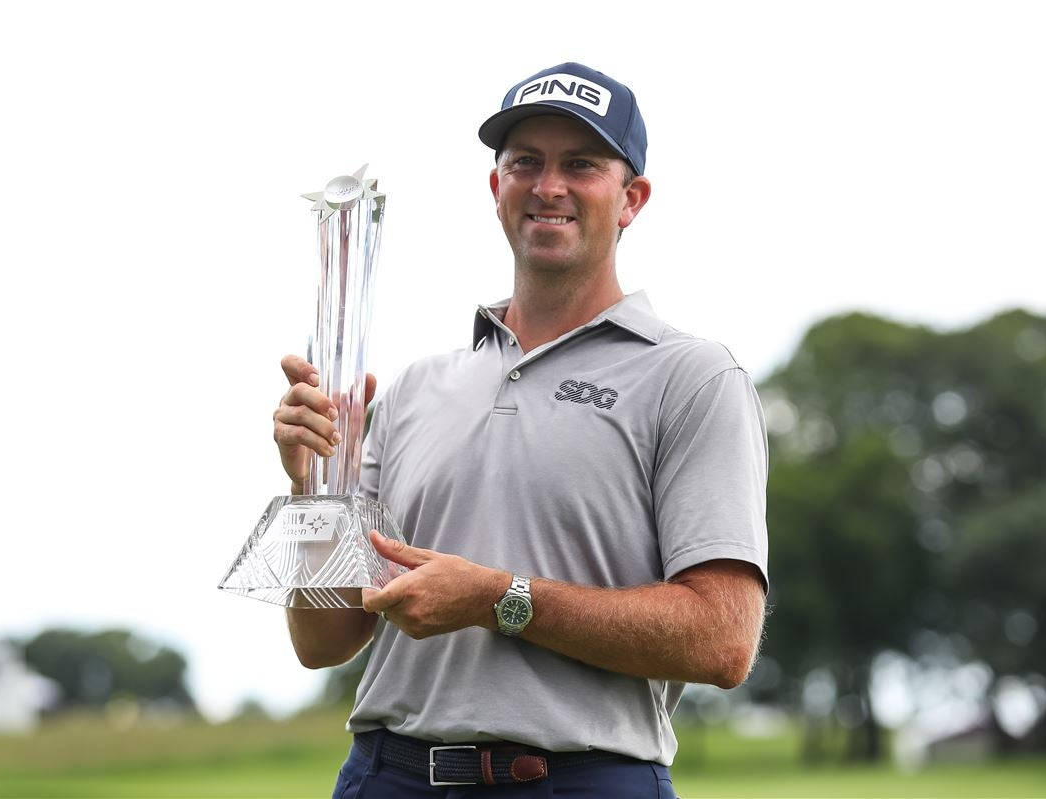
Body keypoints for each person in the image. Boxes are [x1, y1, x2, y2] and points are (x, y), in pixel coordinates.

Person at [273, 62, 769, 798]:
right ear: (496, 187)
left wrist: (500, 598)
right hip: (388, 773)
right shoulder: (415, 387)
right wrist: (313, 483)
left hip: (581, 779)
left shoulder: (692, 378)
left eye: (582, 165)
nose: (549, 186)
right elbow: (324, 641)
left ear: (632, 198)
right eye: (525, 162)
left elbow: (723, 639)